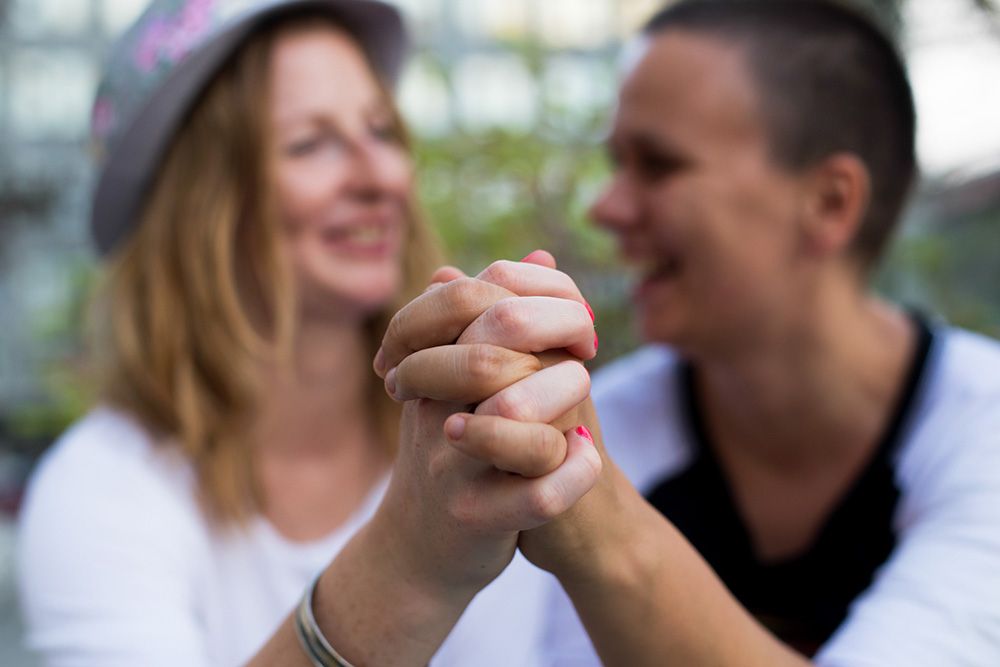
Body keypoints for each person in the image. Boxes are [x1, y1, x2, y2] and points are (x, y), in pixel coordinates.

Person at [374, 0, 1000, 665]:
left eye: (659, 165)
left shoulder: (981, 424)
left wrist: (601, 524)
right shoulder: (609, 419)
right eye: (617, 163)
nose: (605, 207)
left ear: (829, 202)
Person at [16, 1, 600, 666]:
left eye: (382, 131)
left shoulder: (482, 421)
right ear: (199, 205)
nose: (381, 176)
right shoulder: (102, 491)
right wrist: (410, 559)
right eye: (310, 143)